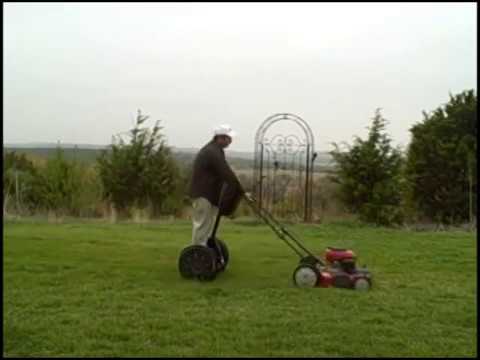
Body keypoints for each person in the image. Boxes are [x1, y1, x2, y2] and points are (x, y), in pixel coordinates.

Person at [189, 124, 245, 247]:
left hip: (209, 194)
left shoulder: (215, 150)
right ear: (220, 138)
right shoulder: (212, 152)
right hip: (203, 194)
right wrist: (239, 189)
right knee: (202, 225)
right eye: (228, 138)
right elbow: (226, 173)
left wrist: (238, 188)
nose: (230, 141)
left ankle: (205, 253)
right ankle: (197, 255)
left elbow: (226, 173)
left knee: (207, 226)